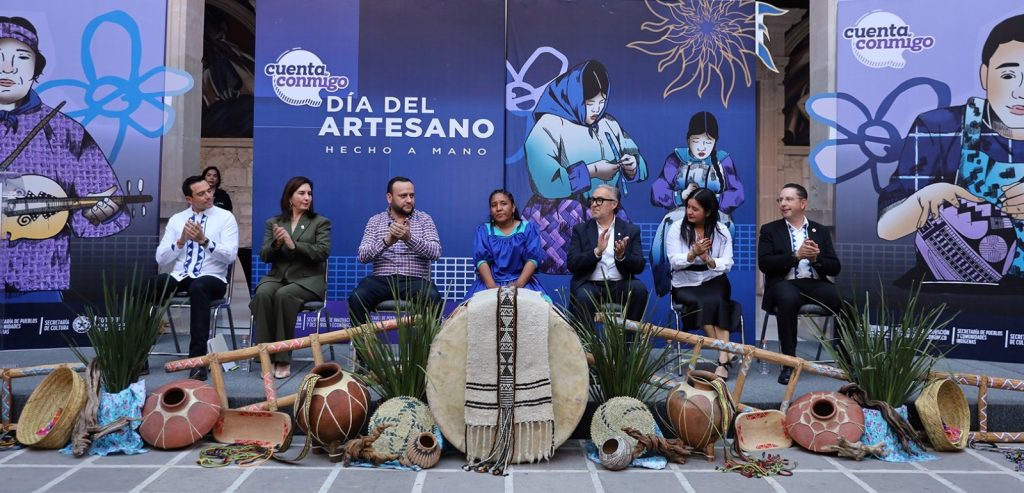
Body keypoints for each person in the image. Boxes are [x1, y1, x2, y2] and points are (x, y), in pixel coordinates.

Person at [877, 14, 1024, 284]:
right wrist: (927, 198)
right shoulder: (940, 127)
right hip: (950, 287)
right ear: (984, 75)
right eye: (1008, 75)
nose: (1020, 92)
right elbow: (887, 229)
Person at [0, 16, 129, 293]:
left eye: (21, 58)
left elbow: (98, 197)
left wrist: (99, 213)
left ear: (36, 69)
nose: (7, 68)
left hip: (39, 272)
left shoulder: (65, 131)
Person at [523, 59, 647, 275]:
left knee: (614, 273)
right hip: (558, 222)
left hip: (605, 214)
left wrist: (633, 166)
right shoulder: (548, 127)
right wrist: (593, 171)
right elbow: (545, 182)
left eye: (602, 102)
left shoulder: (609, 124)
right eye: (590, 103)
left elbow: (635, 156)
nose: (597, 109)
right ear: (572, 97)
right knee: (569, 275)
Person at [154, 176, 239, 381]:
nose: (208, 196)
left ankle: (197, 361)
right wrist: (181, 241)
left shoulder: (225, 217)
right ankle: (137, 357)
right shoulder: (177, 219)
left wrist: (204, 241)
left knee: (199, 288)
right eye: (201, 194)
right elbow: (161, 258)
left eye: (209, 190)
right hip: (181, 275)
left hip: (213, 278)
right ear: (189, 199)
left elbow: (230, 256)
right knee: (146, 287)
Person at [758, 184, 841, 385]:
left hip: (814, 284)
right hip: (784, 285)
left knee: (845, 299)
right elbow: (765, 264)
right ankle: (789, 363)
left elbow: (835, 267)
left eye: (788, 199)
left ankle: (847, 361)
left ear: (803, 203)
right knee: (787, 298)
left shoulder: (819, 231)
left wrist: (815, 260)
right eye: (780, 199)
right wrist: (796, 256)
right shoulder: (770, 230)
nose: (783, 203)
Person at [250, 176, 330, 379]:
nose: (307, 197)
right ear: (289, 198)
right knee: (263, 294)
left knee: (284, 295)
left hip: (308, 280)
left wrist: (293, 244)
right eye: (301, 193)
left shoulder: (320, 222)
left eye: (309, 193)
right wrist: (277, 244)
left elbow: (322, 252)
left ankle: (283, 358)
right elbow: (265, 256)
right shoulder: (274, 223)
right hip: (277, 277)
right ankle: (266, 357)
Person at [348, 176, 442, 327]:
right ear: (389, 197)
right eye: (403, 196)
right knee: (356, 298)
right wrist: (386, 241)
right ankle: (364, 343)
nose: (409, 200)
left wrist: (409, 238)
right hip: (382, 281)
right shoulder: (375, 221)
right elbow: (362, 256)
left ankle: (431, 343)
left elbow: (436, 252)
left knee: (432, 297)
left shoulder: (424, 219)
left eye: (412, 195)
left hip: (415, 281)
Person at [665, 188, 735, 381]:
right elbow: (673, 261)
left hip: (713, 278)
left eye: (695, 209)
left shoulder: (721, 231)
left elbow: (727, 263)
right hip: (684, 282)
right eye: (688, 207)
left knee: (719, 300)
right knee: (703, 303)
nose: (689, 212)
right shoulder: (676, 229)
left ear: (708, 211)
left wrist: (708, 260)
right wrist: (692, 254)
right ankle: (725, 354)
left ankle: (722, 360)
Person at [650, 111, 744, 233]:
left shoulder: (723, 160)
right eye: (696, 141)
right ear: (688, 140)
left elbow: (738, 193)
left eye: (708, 142)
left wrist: (712, 199)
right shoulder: (677, 158)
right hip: (681, 213)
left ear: (715, 141)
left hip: (714, 214)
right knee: (670, 225)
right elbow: (657, 190)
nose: (702, 147)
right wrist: (681, 195)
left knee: (724, 227)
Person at [567, 184, 647, 327]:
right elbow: (572, 263)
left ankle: (628, 339)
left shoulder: (630, 230)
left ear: (613, 204)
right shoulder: (581, 230)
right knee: (583, 295)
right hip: (590, 285)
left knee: (639, 290)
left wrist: (622, 256)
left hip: (619, 285)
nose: (593, 204)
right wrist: (596, 252)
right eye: (592, 200)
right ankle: (587, 340)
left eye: (599, 200)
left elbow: (639, 265)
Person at [464, 189, 548, 302]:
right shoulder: (484, 230)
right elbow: (481, 261)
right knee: (470, 309)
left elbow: (532, 259)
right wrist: (492, 287)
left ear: (513, 207)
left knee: (541, 308)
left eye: (503, 203)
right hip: (490, 284)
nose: (498, 208)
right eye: (494, 205)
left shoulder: (528, 228)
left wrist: (518, 284)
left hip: (523, 283)